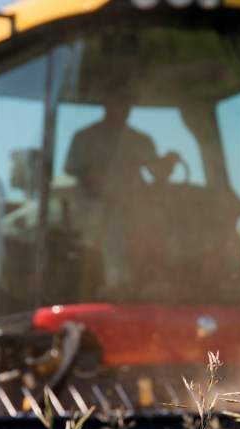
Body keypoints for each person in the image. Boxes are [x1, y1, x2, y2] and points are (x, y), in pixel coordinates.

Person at [62, 94, 179, 294]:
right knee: (114, 225)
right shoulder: (85, 137)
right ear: (107, 104)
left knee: (163, 223)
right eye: (118, 102)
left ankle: (163, 283)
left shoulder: (139, 140)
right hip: (91, 209)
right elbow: (70, 168)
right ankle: (117, 287)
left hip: (134, 208)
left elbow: (157, 171)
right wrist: (90, 173)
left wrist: (168, 163)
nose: (123, 108)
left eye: (126, 103)